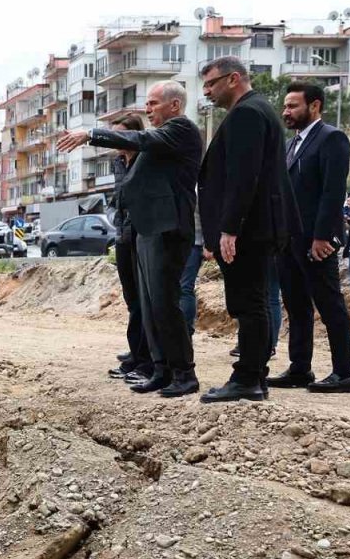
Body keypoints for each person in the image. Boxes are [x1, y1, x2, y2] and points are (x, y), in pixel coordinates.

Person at [57, 81, 203, 398]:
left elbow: (138, 138)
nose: (147, 109)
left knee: (165, 305)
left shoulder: (181, 130)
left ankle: (184, 373)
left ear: (175, 105)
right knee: (150, 306)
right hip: (146, 229)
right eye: (147, 104)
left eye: (153, 103)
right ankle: (161, 369)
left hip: (168, 229)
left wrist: (91, 134)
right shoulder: (161, 138)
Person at [197, 56, 302, 403]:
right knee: (250, 301)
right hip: (256, 226)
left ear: (233, 79)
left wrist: (230, 228)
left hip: (250, 229)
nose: (207, 92)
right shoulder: (256, 110)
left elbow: (244, 177)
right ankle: (253, 375)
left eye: (211, 83)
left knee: (250, 302)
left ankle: (249, 378)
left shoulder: (247, 113)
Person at [266, 81, 350, 392]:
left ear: (315, 106)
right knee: (297, 305)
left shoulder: (332, 139)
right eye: (285, 106)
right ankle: (300, 369)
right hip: (289, 240)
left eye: (293, 106)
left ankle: (345, 372)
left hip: (317, 242)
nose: (285, 111)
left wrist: (323, 237)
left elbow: (332, 193)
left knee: (329, 305)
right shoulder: (293, 144)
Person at [99, 113, 153, 382]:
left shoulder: (146, 158)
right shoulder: (118, 161)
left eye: (121, 135)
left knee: (145, 303)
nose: (116, 141)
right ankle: (136, 355)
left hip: (141, 234)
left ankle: (145, 361)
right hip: (122, 236)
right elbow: (118, 197)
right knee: (133, 301)